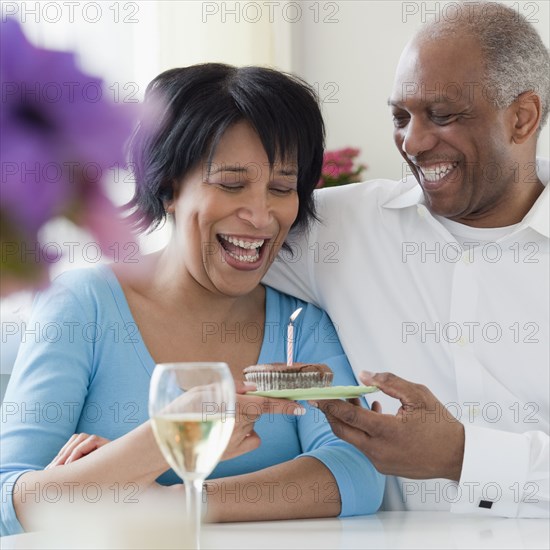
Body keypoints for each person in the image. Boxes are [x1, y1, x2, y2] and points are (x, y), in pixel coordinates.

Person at [0, 63, 385, 536]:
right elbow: (8, 499)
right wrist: (170, 439)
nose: (261, 215)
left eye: (282, 188)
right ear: (167, 187)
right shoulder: (82, 306)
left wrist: (177, 501)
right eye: (230, 183)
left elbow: (358, 473)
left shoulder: (300, 323)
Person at [264, 2, 549, 518]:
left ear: (522, 117)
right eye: (400, 116)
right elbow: (194, 255)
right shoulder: (339, 228)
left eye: (442, 115)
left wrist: (461, 455)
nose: (412, 143)